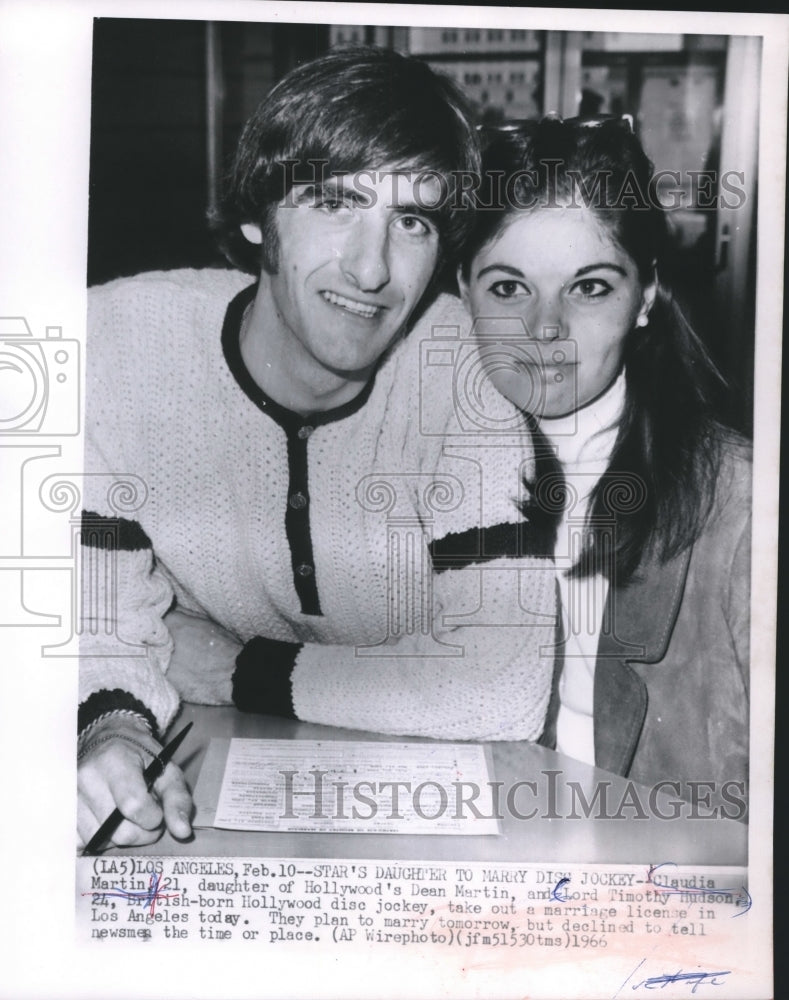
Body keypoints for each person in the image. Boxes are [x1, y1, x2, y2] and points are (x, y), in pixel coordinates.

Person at [77, 47, 559, 849]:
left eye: (412, 221)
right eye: (335, 203)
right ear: (256, 215)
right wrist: (114, 732)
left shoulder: (464, 376)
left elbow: (498, 687)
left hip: (440, 814)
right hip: (212, 771)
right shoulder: (116, 344)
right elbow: (90, 628)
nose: (371, 269)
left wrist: (236, 666)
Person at [457, 117, 750, 802]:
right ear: (460, 291)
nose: (545, 329)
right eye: (507, 287)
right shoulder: (425, 480)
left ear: (645, 296)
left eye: (588, 287)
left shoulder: (744, 509)